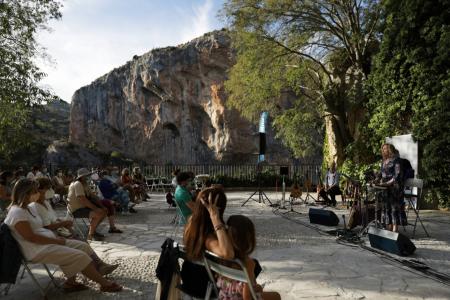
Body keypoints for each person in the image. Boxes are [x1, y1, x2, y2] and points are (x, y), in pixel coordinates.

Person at [4, 179, 122, 293]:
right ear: (25, 194)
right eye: (34, 191)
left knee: (82, 246)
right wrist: (56, 241)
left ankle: (71, 283)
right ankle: (104, 284)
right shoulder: (17, 213)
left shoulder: (27, 208)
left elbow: (40, 228)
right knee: (80, 256)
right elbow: (31, 238)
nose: (37, 194)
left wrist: (56, 238)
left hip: (47, 243)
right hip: (37, 249)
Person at [220, 215, 281, 300]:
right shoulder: (248, 263)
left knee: (259, 288)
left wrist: (256, 288)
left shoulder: (222, 257)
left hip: (225, 296)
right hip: (239, 297)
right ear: (249, 239)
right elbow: (247, 297)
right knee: (276, 296)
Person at [184, 187, 234, 260]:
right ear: (219, 209)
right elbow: (228, 254)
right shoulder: (207, 238)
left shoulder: (192, 223)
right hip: (202, 271)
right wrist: (215, 217)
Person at [67, 168, 107, 241]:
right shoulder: (77, 184)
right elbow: (83, 200)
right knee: (98, 213)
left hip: (82, 207)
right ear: (82, 177)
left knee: (104, 211)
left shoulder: (84, 184)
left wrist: (102, 206)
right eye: (87, 175)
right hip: (76, 210)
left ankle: (92, 230)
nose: (88, 177)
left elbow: (92, 196)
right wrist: (96, 209)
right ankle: (90, 235)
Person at [376, 143, 403, 232]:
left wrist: (388, 183)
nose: (384, 150)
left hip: (395, 187)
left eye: (386, 149)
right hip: (385, 187)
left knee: (394, 208)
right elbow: (380, 174)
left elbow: (397, 175)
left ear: (390, 150)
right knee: (386, 207)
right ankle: (389, 227)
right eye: (383, 149)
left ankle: (395, 228)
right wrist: (375, 180)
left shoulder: (396, 160)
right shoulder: (383, 161)